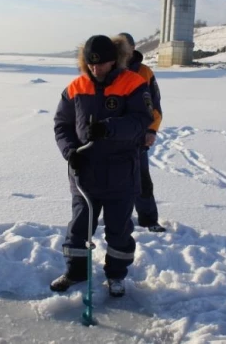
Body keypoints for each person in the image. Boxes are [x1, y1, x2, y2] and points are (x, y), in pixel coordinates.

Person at [51, 34, 153, 297]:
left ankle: (116, 275)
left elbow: (141, 120)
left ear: (114, 60)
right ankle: (76, 272)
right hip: (84, 174)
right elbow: (62, 125)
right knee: (79, 228)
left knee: (119, 229)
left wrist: (109, 129)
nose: (96, 69)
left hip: (121, 173)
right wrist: (70, 151)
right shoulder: (75, 87)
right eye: (91, 64)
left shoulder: (133, 83)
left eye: (102, 63)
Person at [119, 32, 166, 233]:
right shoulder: (110, 69)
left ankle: (148, 219)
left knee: (141, 179)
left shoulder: (145, 72)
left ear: (133, 47)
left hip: (138, 136)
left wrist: (151, 130)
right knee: (113, 180)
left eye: (124, 46)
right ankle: (117, 218)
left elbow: (155, 104)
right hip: (115, 135)